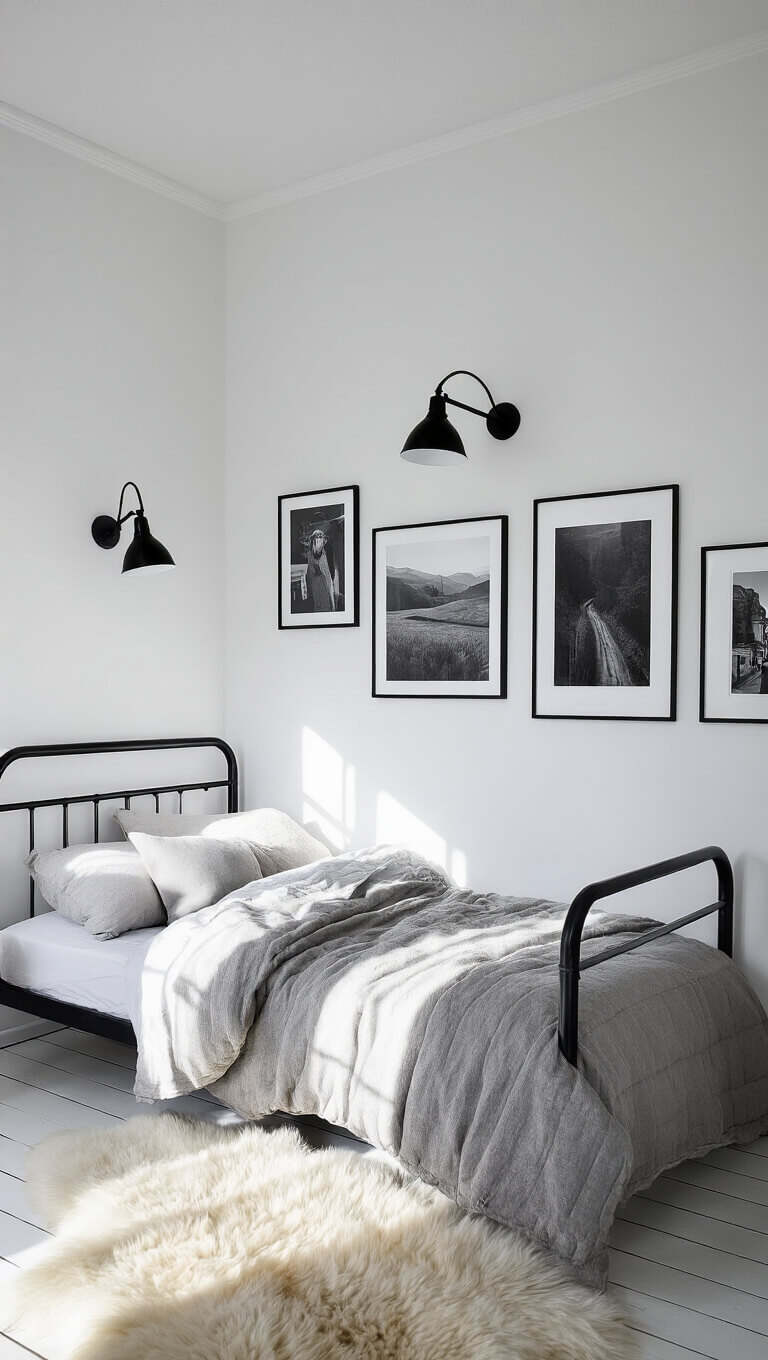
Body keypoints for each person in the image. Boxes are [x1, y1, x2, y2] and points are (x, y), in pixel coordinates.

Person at [305, 528, 336, 612]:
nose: (318, 539)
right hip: (315, 582)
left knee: (326, 604)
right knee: (318, 604)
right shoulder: (310, 553)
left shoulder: (326, 551)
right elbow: (310, 569)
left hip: (324, 581)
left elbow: (329, 568)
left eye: (320, 537)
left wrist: (330, 578)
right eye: (316, 537)